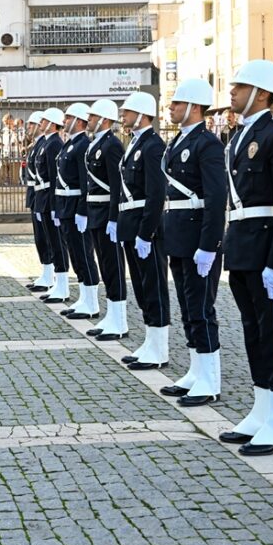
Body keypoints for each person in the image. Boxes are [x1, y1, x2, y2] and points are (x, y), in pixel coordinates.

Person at [216, 60, 273, 457]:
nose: (233, 92)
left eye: (241, 86)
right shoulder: (239, 136)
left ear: (262, 94)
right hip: (241, 246)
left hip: (267, 247)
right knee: (253, 331)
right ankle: (261, 408)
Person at [158, 78, 227, 408]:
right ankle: (196, 369)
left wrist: (210, 244)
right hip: (178, 235)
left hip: (198, 235)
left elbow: (216, 198)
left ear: (195, 107)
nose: (170, 108)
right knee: (187, 307)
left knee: (202, 308)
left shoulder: (207, 143)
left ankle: (210, 379)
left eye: (176, 103)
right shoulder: (177, 143)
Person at [115, 92, 171, 371]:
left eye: (127, 111)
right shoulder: (134, 144)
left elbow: (156, 193)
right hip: (130, 223)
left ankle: (160, 348)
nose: (122, 116)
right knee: (141, 287)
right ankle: (150, 341)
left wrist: (146, 233)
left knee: (154, 287)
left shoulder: (152, 145)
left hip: (144, 227)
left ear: (142, 114)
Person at [79, 99, 128, 341]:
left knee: (114, 267)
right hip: (95, 212)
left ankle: (119, 320)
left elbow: (117, 186)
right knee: (105, 267)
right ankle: (111, 314)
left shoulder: (112, 145)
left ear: (105, 120)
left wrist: (114, 218)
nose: (89, 119)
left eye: (93, 116)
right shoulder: (95, 144)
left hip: (106, 213)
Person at [49, 104, 94, 307]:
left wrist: (83, 211)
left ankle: (91, 302)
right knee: (76, 256)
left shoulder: (83, 144)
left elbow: (86, 183)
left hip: (76, 206)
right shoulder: (70, 144)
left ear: (79, 121)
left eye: (68, 117)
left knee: (84, 255)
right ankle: (84, 297)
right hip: (66, 206)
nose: (64, 121)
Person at [33, 109, 70, 298]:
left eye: (45, 120)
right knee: (51, 242)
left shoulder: (55, 143)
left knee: (57, 243)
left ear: (53, 123)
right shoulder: (46, 143)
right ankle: (57, 282)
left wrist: (55, 206)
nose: (41, 122)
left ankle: (62, 284)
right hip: (43, 198)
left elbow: (55, 177)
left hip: (50, 198)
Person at [22, 111, 55, 291]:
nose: (29, 128)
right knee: (40, 238)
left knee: (47, 239)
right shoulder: (37, 145)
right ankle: (46, 272)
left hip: (43, 196)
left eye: (31, 124)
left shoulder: (47, 144)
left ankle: (50, 275)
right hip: (36, 195)